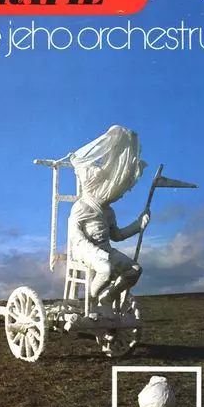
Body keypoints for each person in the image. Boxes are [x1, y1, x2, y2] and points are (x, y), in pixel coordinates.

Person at [67, 125, 149, 313]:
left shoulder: (108, 211)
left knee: (135, 270)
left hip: (105, 250)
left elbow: (116, 236)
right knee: (105, 269)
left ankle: (108, 297)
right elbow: (76, 238)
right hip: (85, 251)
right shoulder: (81, 207)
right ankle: (91, 301)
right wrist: (98, 253)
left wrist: (138, 225)